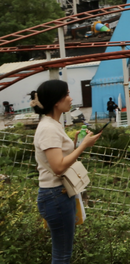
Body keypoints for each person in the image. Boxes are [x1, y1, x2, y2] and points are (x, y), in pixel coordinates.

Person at [32, 79, 100, 264]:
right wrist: (83, 146)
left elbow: (58, 159)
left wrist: (76, 145)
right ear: (56, 100)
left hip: (57, 194)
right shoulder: (48, 128)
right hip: (55, 195)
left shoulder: (52, 124)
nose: (71, 98)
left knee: (62, 253)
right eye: (67, 94)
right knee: (62, 256)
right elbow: (58, 167)